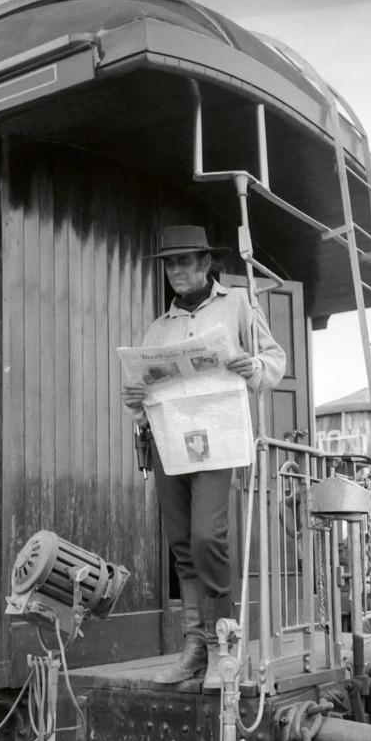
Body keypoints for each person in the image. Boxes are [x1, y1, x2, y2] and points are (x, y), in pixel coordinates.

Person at [122, 225, 286, 688]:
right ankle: (194, 649)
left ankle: (222, 646)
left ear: (205, 263)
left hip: (220, 439)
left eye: (185, 262)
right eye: (170, 264)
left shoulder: (237, 304)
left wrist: (251, 366)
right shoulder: (160, 326)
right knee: (181, 545)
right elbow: (147, 397)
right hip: (168, 442)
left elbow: (274, 358)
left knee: (207, 538)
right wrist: (135, 397)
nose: (177, 271)